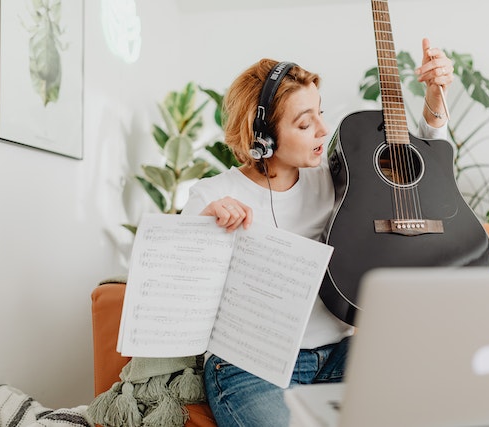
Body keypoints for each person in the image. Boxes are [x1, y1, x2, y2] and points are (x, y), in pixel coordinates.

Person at [180, 37, 454, 427]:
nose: (323, 130)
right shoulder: (211, 196)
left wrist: (435, 99)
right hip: (253, 366)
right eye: (305, 123)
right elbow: (182, 294)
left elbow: (420, 177)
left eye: (320, 114)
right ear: (263, 136)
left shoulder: (340, 180)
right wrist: (203, 232)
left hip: (342, 354)